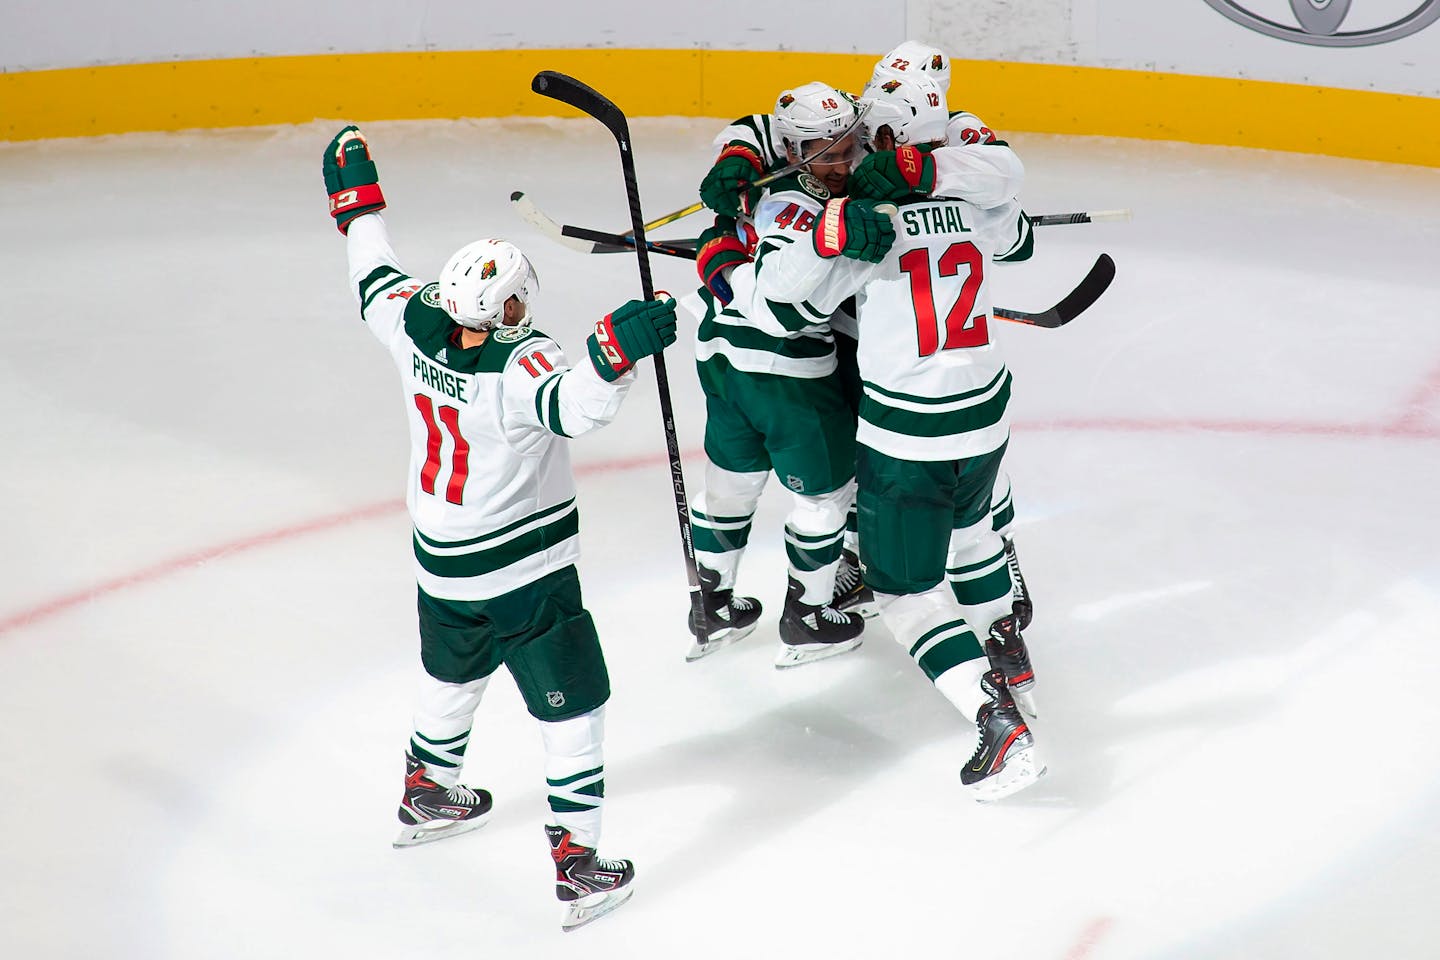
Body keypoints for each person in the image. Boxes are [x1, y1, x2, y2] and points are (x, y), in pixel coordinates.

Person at [322, 124, 677, 929]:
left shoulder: (413, 325)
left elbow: (372, 273)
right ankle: (580, 862)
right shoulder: (523, 368)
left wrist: (358, 206)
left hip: (441, 558)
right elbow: (576, 406)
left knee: (452, 672)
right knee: (574, 709)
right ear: (510, 305)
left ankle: (428, 788)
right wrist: (620, 351)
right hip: (525, 572)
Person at [715, 75, 1044, 799]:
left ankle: (999, 723)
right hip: (984, 416)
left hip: (909, 431)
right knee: (977, 534)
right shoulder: (966, 178)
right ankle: (1007, 655)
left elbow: (783, 310)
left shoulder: (863, 217)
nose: (845, 153)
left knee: (904, 594)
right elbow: (1015, 232)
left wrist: (738, 258)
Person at [695, 42, 1035, 632]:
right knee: (868, 457)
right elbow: (773, 124)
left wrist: (926, 171)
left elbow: (1009, 199)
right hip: (858, 330)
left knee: (955, 464)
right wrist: (738, 150)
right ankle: (857, 555)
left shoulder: (952, 129)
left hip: (900, 336)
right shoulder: (862, 118)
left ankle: (998, 549)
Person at [684, 82, 892, 669]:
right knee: (827, 496)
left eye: (847, 145)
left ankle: (712, 602)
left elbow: (748, 126)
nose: (843, 160)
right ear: (796, 151)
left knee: (731, 484)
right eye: (827, 152)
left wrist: (720, 256)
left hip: (721, 360)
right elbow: (780, 300)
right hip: (790, 376)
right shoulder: (795, 207)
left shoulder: (772, 181)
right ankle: (808, 614)